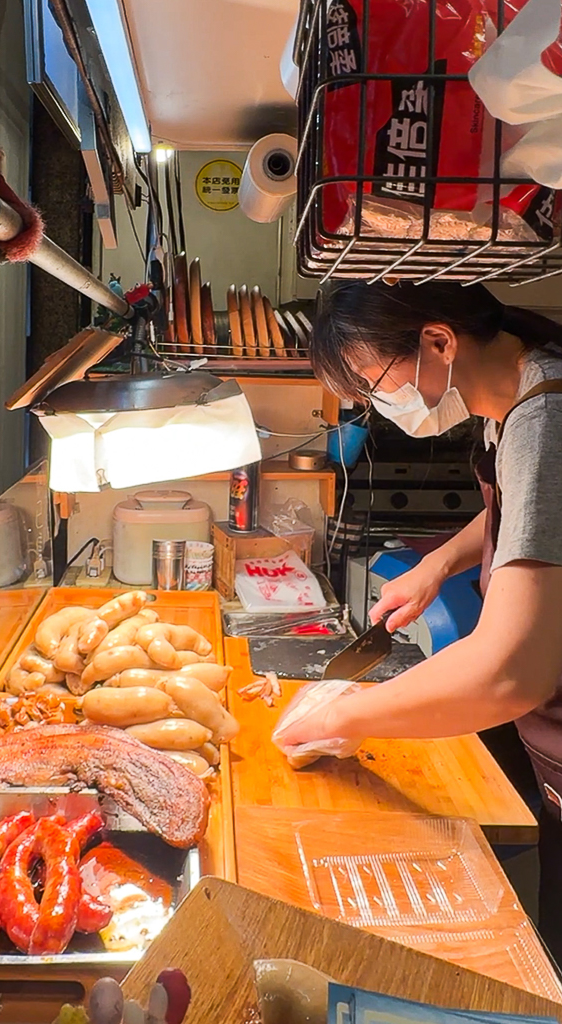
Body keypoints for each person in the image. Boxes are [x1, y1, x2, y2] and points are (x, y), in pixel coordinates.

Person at [282, 280, 562, 961]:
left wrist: (341, 715)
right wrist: (439, 565)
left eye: (373, 386)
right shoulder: (523, 386)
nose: (374, 408)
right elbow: (533, 512)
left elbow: (505, 676)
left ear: (437, 341)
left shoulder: (543, 418)